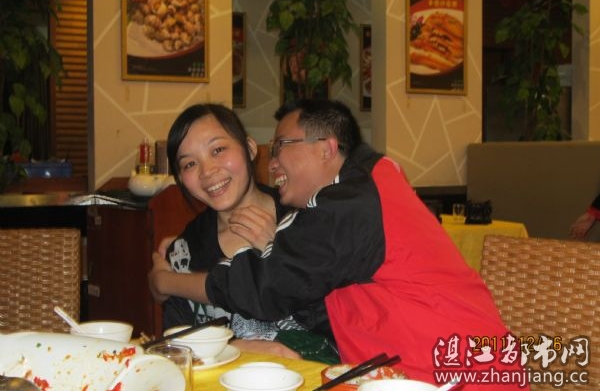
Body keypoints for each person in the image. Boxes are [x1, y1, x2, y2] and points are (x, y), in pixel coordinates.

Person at [150, 99, 529, 390]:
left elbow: (267, 288)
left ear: (326, 149)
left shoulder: (349, 203)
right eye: (188, 164)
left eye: (281, 146)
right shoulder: (362, 187)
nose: (274, 161)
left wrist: (166, 282)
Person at [149, 103, 337, 362]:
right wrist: (234, 348)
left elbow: (339, 322)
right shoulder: (184, 252)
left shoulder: (305, 218)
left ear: (249, 148)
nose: (207, 171)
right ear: (181, 178)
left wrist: (282, 256)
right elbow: (178, 348)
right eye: (190, 164)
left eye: (218, 150)